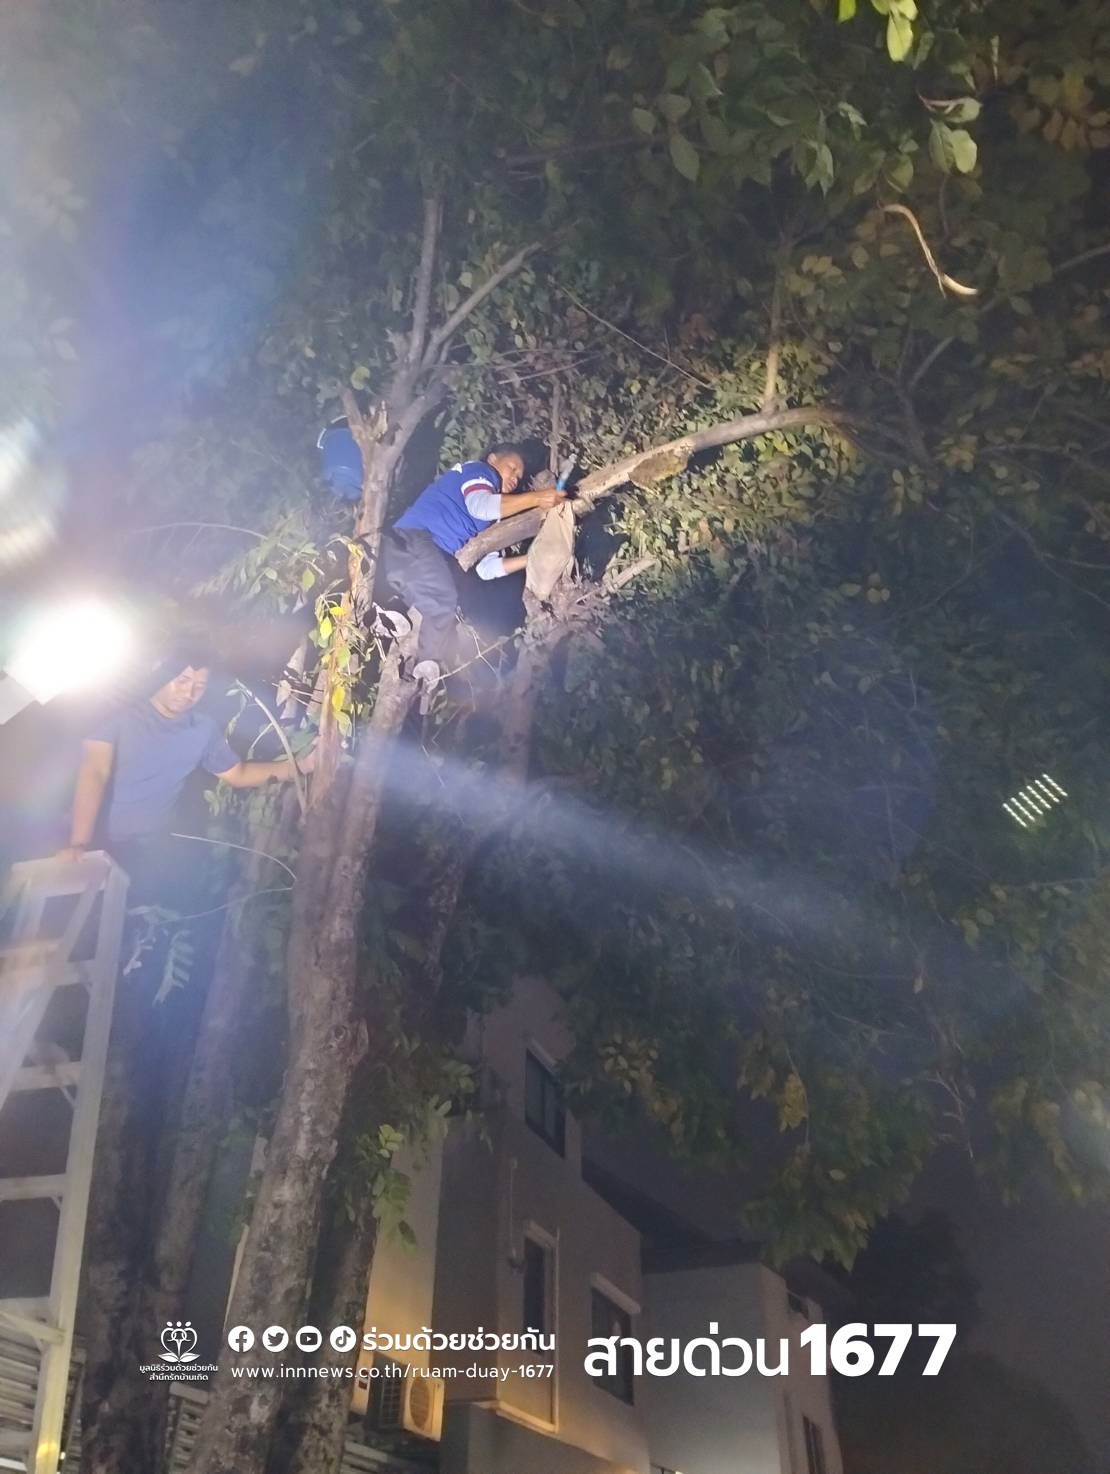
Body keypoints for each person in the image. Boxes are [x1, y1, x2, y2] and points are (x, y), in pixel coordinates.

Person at [58, 655, 313, 865]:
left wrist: (304, 766)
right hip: (88, 842)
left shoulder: (202, 729)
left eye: (199, 686)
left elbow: (238, 774)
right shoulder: (118, 714)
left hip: (145, 852)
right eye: (182, 680)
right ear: (161, 674)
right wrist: (79, 842)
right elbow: (95, 771)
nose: (189, 692)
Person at [383, 443, 567, 684]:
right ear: (492, 459)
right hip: (413, 538)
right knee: (443, 599)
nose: (515, 478)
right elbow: (480, 506)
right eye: (512, 468)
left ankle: (386, 615)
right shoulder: (480, 472)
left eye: (519, 476)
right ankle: (427, 664)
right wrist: (537, 498)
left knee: (441, 595)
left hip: (422, 556)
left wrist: (531, 560)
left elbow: (486, 568)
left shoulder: (495, 514)